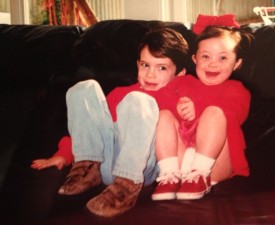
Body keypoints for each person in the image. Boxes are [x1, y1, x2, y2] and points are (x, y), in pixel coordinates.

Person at [31, 27, 189, 217]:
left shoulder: (180, 101)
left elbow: (190, 138)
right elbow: (91, 126)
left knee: (138, 100)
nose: (150, 74)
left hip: (140, 169)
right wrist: (64, 154)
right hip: (104, 163)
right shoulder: (121, 94)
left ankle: (125, 189)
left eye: (161, 67)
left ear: (180, 73)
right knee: (84, 87)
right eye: (145, 65)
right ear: (137, 63)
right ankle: (86, 168)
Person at [151, 24, 253, 201]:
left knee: (214, 112)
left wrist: (196, 107)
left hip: (215, 164)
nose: (213, 63)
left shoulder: (237, 90)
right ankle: (169, 175)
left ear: (237, 63)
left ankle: (200, 174)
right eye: (205, 56)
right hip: (180, 160)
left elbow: (234, 113)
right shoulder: (182, 83)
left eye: (223, 58)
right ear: (194, 59)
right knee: (164, 114)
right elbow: (157, 100)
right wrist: (176, 106)